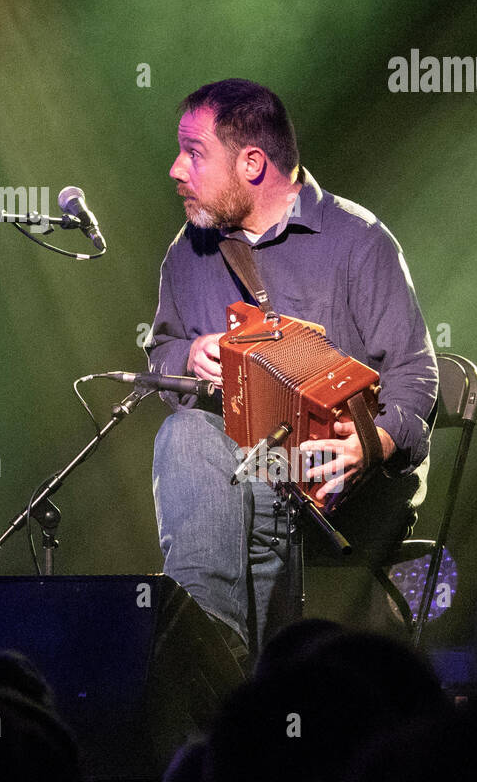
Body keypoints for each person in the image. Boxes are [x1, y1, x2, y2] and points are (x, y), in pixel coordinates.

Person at [146, 79, 437, 664]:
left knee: (226, 479)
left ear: (252, 162)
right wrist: (185, 356)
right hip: (238, 477)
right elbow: (160, 355)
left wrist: (371, 443)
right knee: (191, 437)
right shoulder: (188, 250)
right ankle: (229, 674)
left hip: (341, 480)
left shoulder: (358, 241)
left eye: (194, 153)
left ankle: (211, 676)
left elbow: (416, 375)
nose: (176, 169)